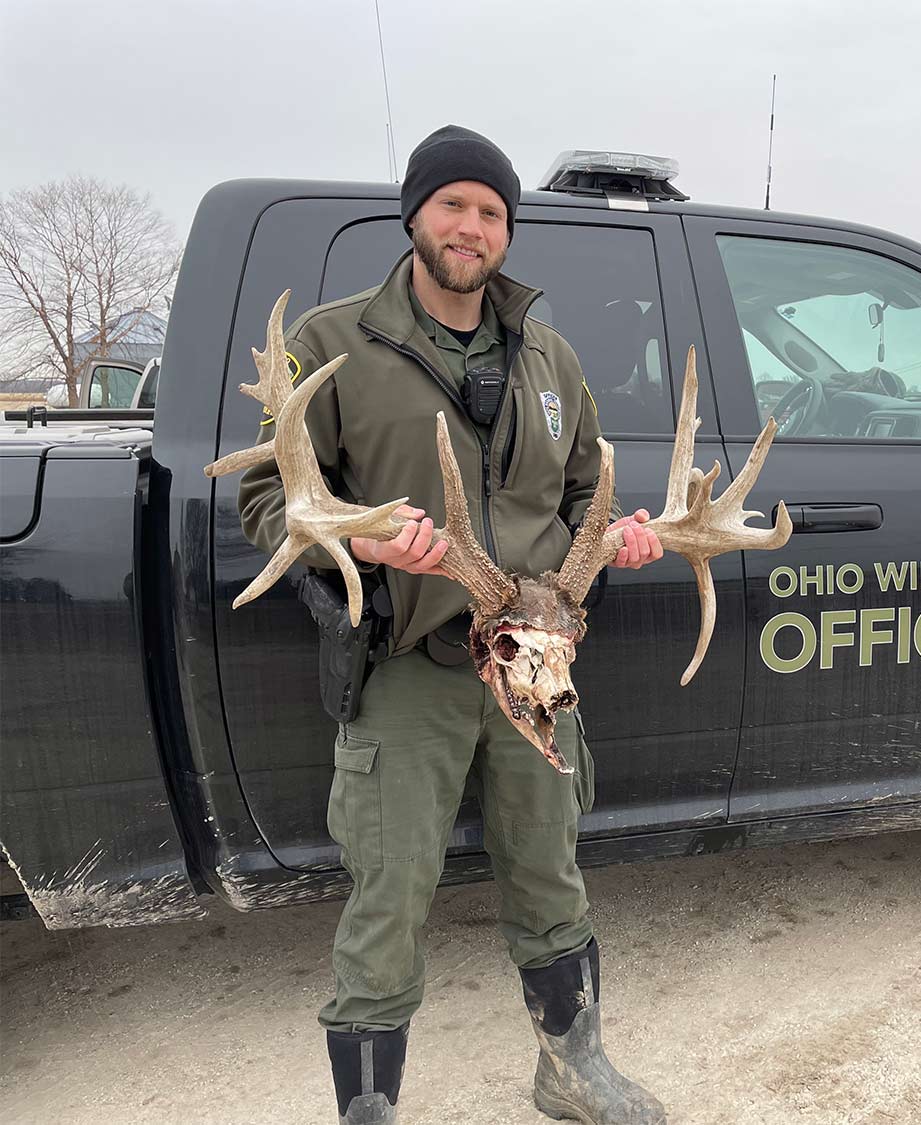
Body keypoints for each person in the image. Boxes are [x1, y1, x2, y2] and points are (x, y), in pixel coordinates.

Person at [239, 125, 667, 1125]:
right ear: (416, 215)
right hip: (405, 666)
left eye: (490, 212)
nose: (471, 227)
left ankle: (573, 1068)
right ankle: (370, 1109)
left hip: (534, 668)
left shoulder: (550, 356)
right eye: (453, 206)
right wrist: (368, 538)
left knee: (549, 870)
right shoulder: (329, 346)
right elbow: (269, 501)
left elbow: (579, 495)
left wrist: (618, 541)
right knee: (388, 898)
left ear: (506, 232)